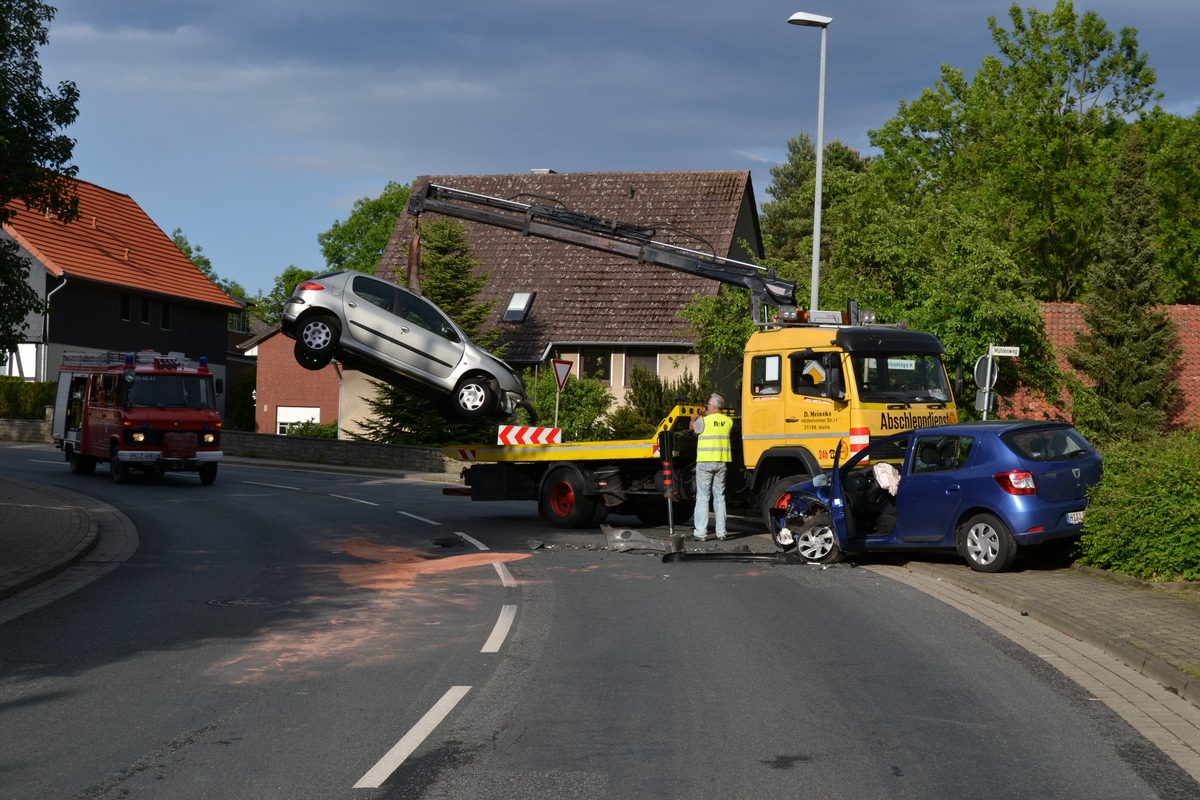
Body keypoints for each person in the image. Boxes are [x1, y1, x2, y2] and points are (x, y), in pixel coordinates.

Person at [690, 393, 732, 541]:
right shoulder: (728, 421)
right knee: (720, 497)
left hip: (705, 462)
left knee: (703, 498)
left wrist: (693, 418)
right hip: (721, 462)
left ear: (713, 407)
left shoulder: (703, 421)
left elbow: (693, 429)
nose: (707, 406)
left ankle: (701, 533)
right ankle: (721, 532)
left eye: (708, 404)